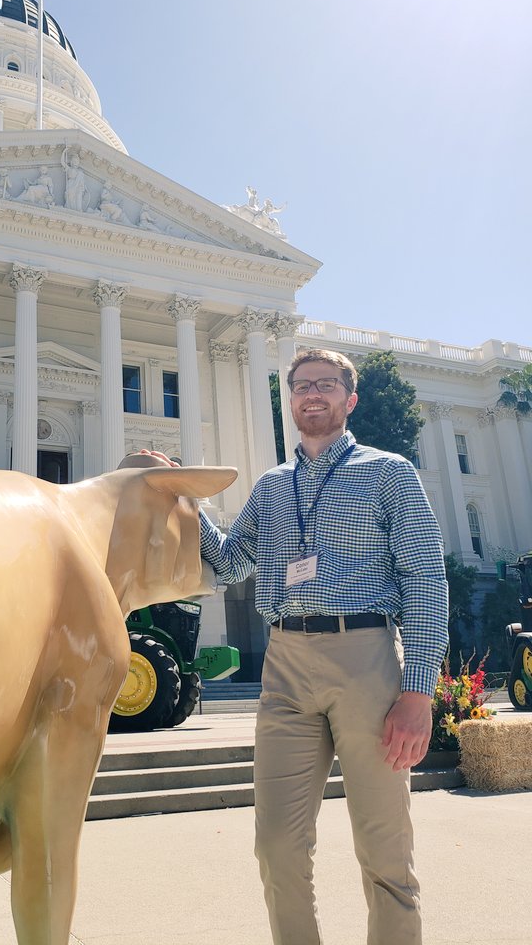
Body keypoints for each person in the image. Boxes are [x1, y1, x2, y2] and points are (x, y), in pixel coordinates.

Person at [197, 348, 448, 945]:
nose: (313, 394)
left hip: (364, 659)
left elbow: (424, 579)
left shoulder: (389, 472)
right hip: (285, 663)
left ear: (348, 398)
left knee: (383, 849)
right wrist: (185, 501)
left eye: (327, 385)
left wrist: (417, 691)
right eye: (302, 385)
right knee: (276, 846)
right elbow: (231, 562)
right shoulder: (273, 486)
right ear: (290, 399)